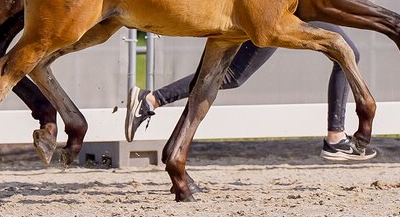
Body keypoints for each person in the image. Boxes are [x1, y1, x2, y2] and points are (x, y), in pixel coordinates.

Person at [125, 22, 376, 161]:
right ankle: (151, 99)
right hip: (285, 13)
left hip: (288, 9)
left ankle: (152, 99)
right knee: (232, 75)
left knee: (232, 75)